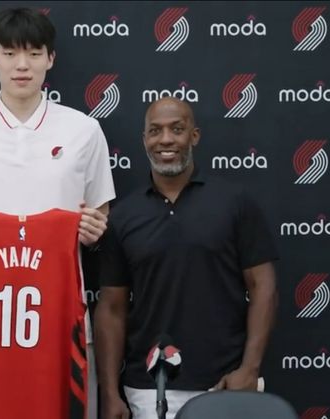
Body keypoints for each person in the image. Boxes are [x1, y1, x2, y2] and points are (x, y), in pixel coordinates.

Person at [0, 7, 115, 419]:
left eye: (34, 54)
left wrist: (94, 230)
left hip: (58, 314)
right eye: (11, 53)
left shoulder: (84, 130)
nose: (22, 65)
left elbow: (99, 217)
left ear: (50, 59)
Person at [94, 97, 278, 419]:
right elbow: (111, 309)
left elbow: (264, 287)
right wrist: (109, 393)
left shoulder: (235, 203)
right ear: (144, 140)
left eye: (176, 129)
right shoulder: (122, 217)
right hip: (149, 388)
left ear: (194, 136)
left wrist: (249, 368)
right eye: (155, 131)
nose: (166, 139)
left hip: (225, 384)